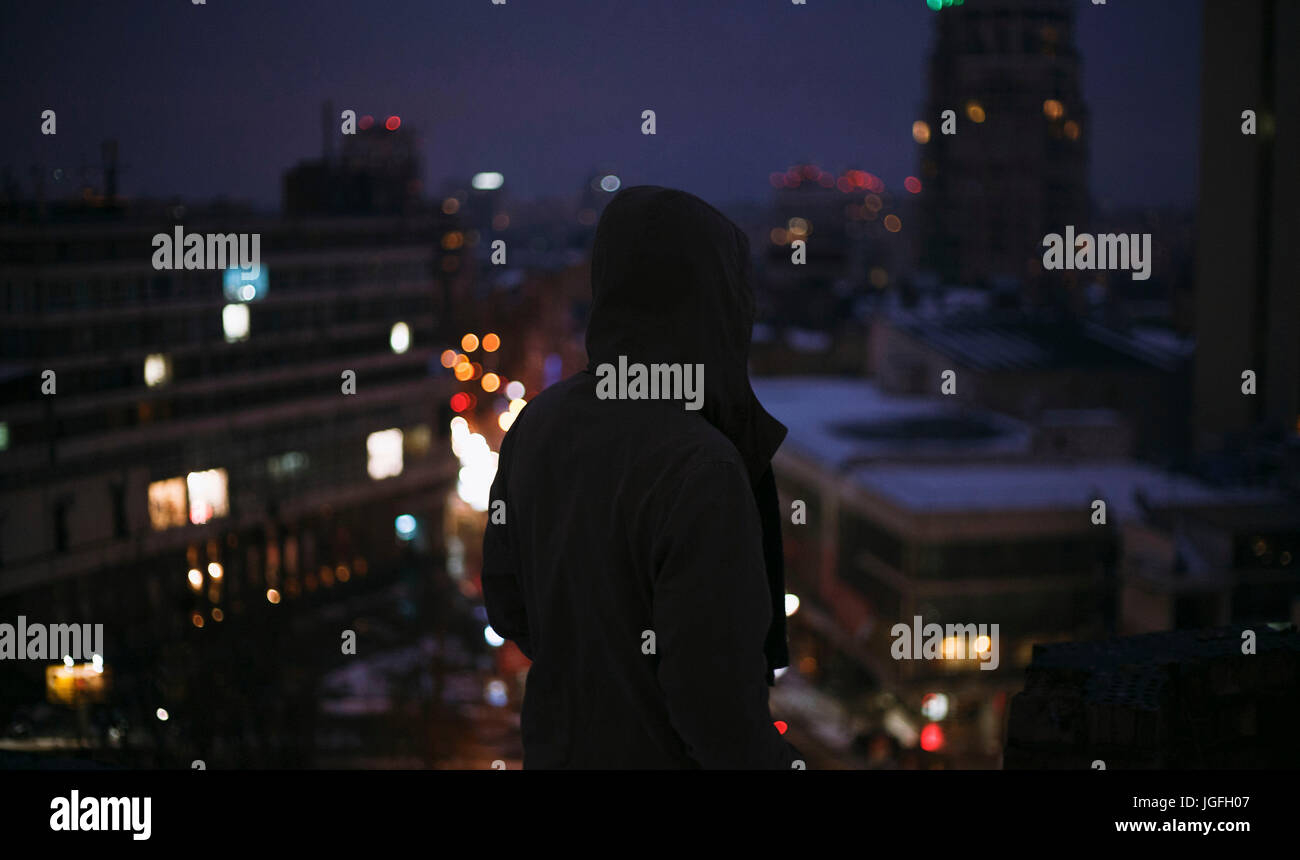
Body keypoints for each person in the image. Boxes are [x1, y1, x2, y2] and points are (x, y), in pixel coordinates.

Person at [481, 186, 801, 768]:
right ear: (714, 303)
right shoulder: (702, 465)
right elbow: (720, 715)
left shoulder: (539, 424)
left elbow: (507, 607)